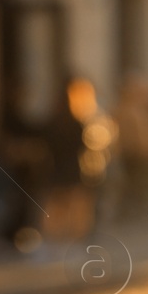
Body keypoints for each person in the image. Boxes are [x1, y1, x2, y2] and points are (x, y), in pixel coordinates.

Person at [43, 77, 95, 243]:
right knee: (75, 204)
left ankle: (55, 237)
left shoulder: (52, 122)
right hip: (72, 168)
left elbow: (47, 145)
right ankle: (74, 236)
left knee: (58, 205)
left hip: (56, 168)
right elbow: (83, 145)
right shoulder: (76, 123)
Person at [115, 74, 148, 218]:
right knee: (134, 183)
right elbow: (129, 134)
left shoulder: (145, 109)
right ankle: (131, 209)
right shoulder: (126, 110)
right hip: (134, 154)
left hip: (147, 152)